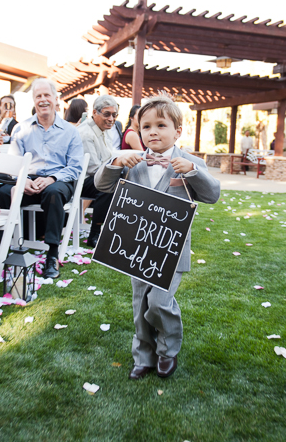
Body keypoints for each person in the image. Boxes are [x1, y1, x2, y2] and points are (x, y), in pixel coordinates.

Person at [95, 95, 220, 380]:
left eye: (161, 125)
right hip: (134, 246)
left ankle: (167, 351)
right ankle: (143, 356)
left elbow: (212, 194)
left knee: (159, 302)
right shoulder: (131, 161)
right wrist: (115, 162)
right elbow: (101, 185)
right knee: (140, 304)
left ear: (177, 130)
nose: (152, 131)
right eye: (146, 126)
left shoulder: (191, 162)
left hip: (171, 249)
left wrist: (194, 173)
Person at [0, 78, 84, 279]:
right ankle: (3, 250)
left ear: (56, 99)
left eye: (47, 95)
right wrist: (23, 179)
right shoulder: (21, 129)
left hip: (58, 181)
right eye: (39, 96)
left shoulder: (70, 131)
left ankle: (52, 255)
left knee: (54, 194)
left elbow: (76, 167)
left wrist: (53, 178)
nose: (43, 100)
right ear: (34, 100)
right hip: (28, 180)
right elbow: (14, 162)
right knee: (3, 192)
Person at [77, 95, 118, 247]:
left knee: (125, 183)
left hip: (97, 176)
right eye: (107, 114)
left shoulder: (104, 130)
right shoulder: (86, 133)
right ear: (95, 113)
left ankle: (117, 230)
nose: (111, 119)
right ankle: (95, 234)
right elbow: (93, 169)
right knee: (109, 186)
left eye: (114, 115)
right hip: (80, 180)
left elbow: (108, 158)